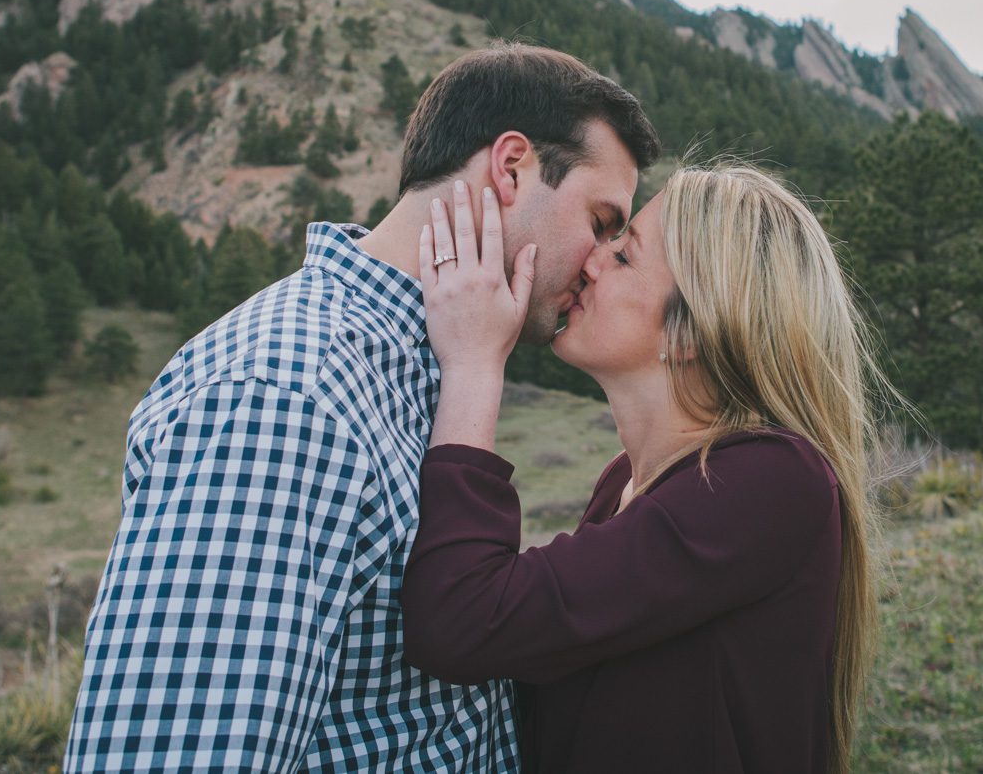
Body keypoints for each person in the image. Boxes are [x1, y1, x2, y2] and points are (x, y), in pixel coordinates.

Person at [63, 45, 660, 772]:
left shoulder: (431, 367)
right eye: (601, 221)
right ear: (510, 168)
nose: (602, 260)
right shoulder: (286, 395)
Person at [401, 161, 888, 774]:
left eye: (624, 256)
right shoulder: (623, 484)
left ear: (692, 329)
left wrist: (473, 364)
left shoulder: (773, 482)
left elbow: (463, 618)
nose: (591, 260)